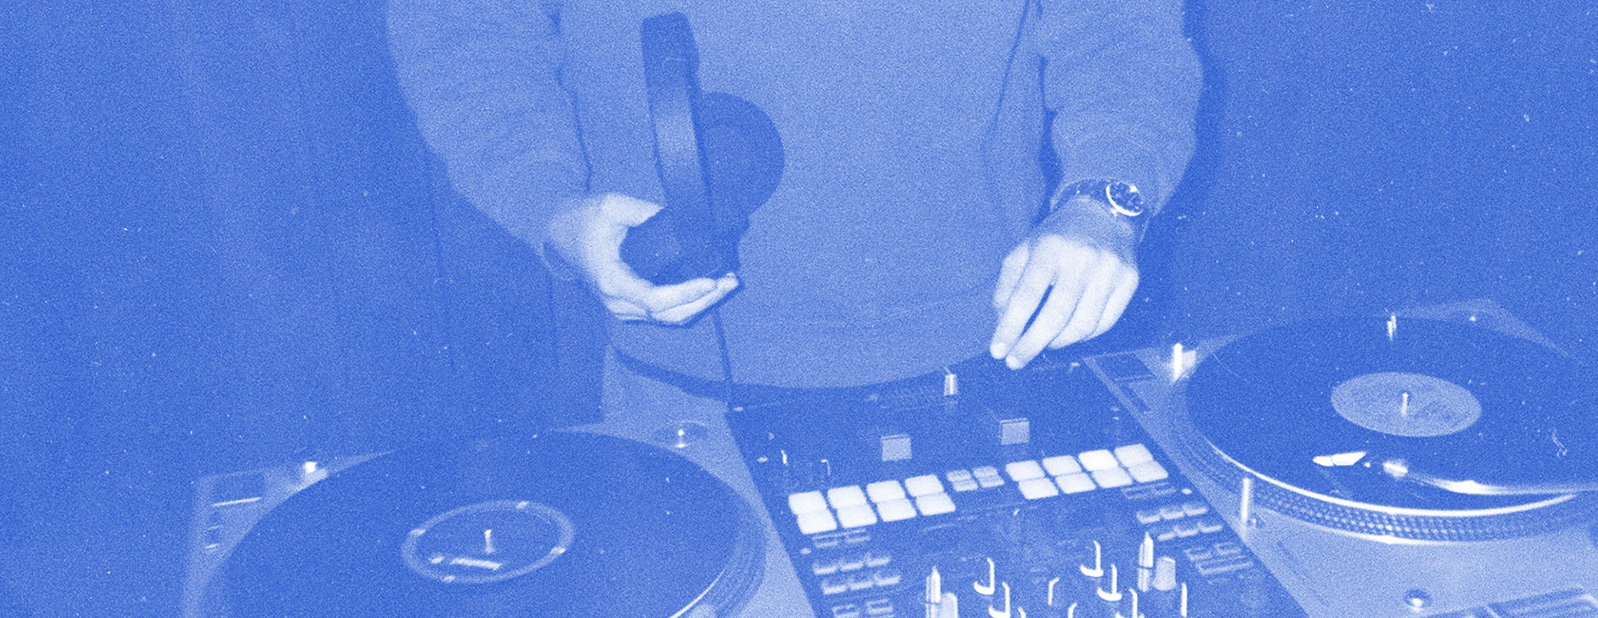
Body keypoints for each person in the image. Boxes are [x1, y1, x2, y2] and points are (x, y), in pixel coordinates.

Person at [387, 0, 1201, 400]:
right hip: (679, 369)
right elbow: (467, 34)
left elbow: (1121, 27)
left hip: (995, 345)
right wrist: (551, 206)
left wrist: (1104, 198)